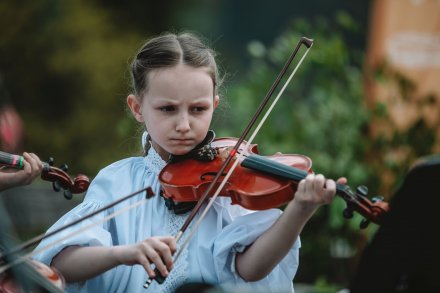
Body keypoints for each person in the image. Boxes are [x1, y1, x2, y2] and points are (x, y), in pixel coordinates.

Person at [32, 32, 346, 293]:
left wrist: (299, 210)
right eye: (168, 109)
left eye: (197, 109)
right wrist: (123, 253)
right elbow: (61, 265)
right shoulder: (117, 182)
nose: (184, 125)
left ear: (214, 105)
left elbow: (250, 270)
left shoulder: (228, 185)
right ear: (138, 108)